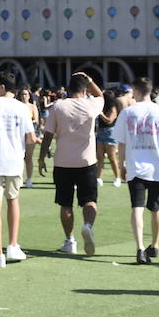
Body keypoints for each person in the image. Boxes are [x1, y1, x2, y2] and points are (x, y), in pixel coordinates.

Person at [112, 77, 159, 263]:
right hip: (157, 167)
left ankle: (139, 248)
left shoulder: (127, 113)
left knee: (137, 208)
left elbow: (120, 143)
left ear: (136, 91)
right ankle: (154, 245)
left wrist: (121, 165)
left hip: (135, 166)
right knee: (155, 208)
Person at [37, 71, 104, 256]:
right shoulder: (91, 104)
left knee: (65, 203)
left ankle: (70, 240)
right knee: (89, 200)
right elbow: (100, 95)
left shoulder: (58, 106)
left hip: (63, 161)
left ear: (67, 89)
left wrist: (42, 157)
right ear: (84, 90)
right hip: (87, 161)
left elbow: (48, 134)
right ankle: (88, 225)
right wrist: (90, 80)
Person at [0, 72, 35, 267]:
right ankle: (13, 244)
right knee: (13, 200)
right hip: (14, 160)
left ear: (2, 87)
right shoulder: (23, 108)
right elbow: (30, 138)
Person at [96, 89, 123, 186]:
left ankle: (117, 178)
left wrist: (100, 113)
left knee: (112, 158)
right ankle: (98, 178)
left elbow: (109, 120)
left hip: (110, 133)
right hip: (101, 132)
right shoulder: (102, 106)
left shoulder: (113, 108)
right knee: (100, 157)